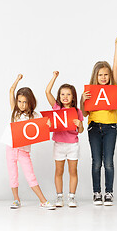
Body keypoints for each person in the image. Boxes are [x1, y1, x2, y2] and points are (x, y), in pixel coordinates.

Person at [2, 74, 56, 210]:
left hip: (23, 150)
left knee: (30, 175)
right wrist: (17, 80)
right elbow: (11, 91)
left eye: (25, 102)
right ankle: (16, 199)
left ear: (30, 102)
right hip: (11, 148)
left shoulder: (34, 115)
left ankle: (43, 200)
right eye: (20, 101)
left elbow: (45, 124)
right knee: (13, 175)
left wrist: (48, 123)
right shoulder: (14, 111)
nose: (22, 105)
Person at [80, 36, 117, 206]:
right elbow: (84, 114)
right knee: (96, 161)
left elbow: (116, 66)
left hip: (110, 127)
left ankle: (109, 192)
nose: (104, 77)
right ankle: (97, 192)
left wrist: (116, 46)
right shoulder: (90, 92)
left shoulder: (112, 88)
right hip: (94, 128)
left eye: (106, 75)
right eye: (101, 75)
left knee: (109, 162)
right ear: (95, 76)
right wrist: (83, 100)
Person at [45, 71, 84, 207]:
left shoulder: (77, 111)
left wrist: (80, 125)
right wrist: (54, 77)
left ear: (73, 96)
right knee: (59, 171)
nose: (65, 97)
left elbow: (80, 130)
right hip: (59, 144)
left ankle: (72, 197)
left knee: (73, 171)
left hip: (73, 145)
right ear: (59, 96)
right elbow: (47, 91)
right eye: (62, 94)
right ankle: (59, 196)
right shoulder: (57, 108)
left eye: (68, 94)